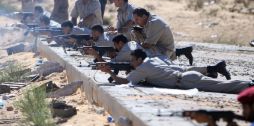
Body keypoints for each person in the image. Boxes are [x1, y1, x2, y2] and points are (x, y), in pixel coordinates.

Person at [99, 49, 253, 94]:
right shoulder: (152, 60)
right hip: (186, 76)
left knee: (221, 86)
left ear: (139, 60)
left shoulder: (143, 68)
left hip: (186, 80)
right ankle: (247, 85)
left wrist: (110, 73)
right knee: (220, 85)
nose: (131, 63)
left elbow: (125, 82)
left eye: (133, 60)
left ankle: (248, 85)